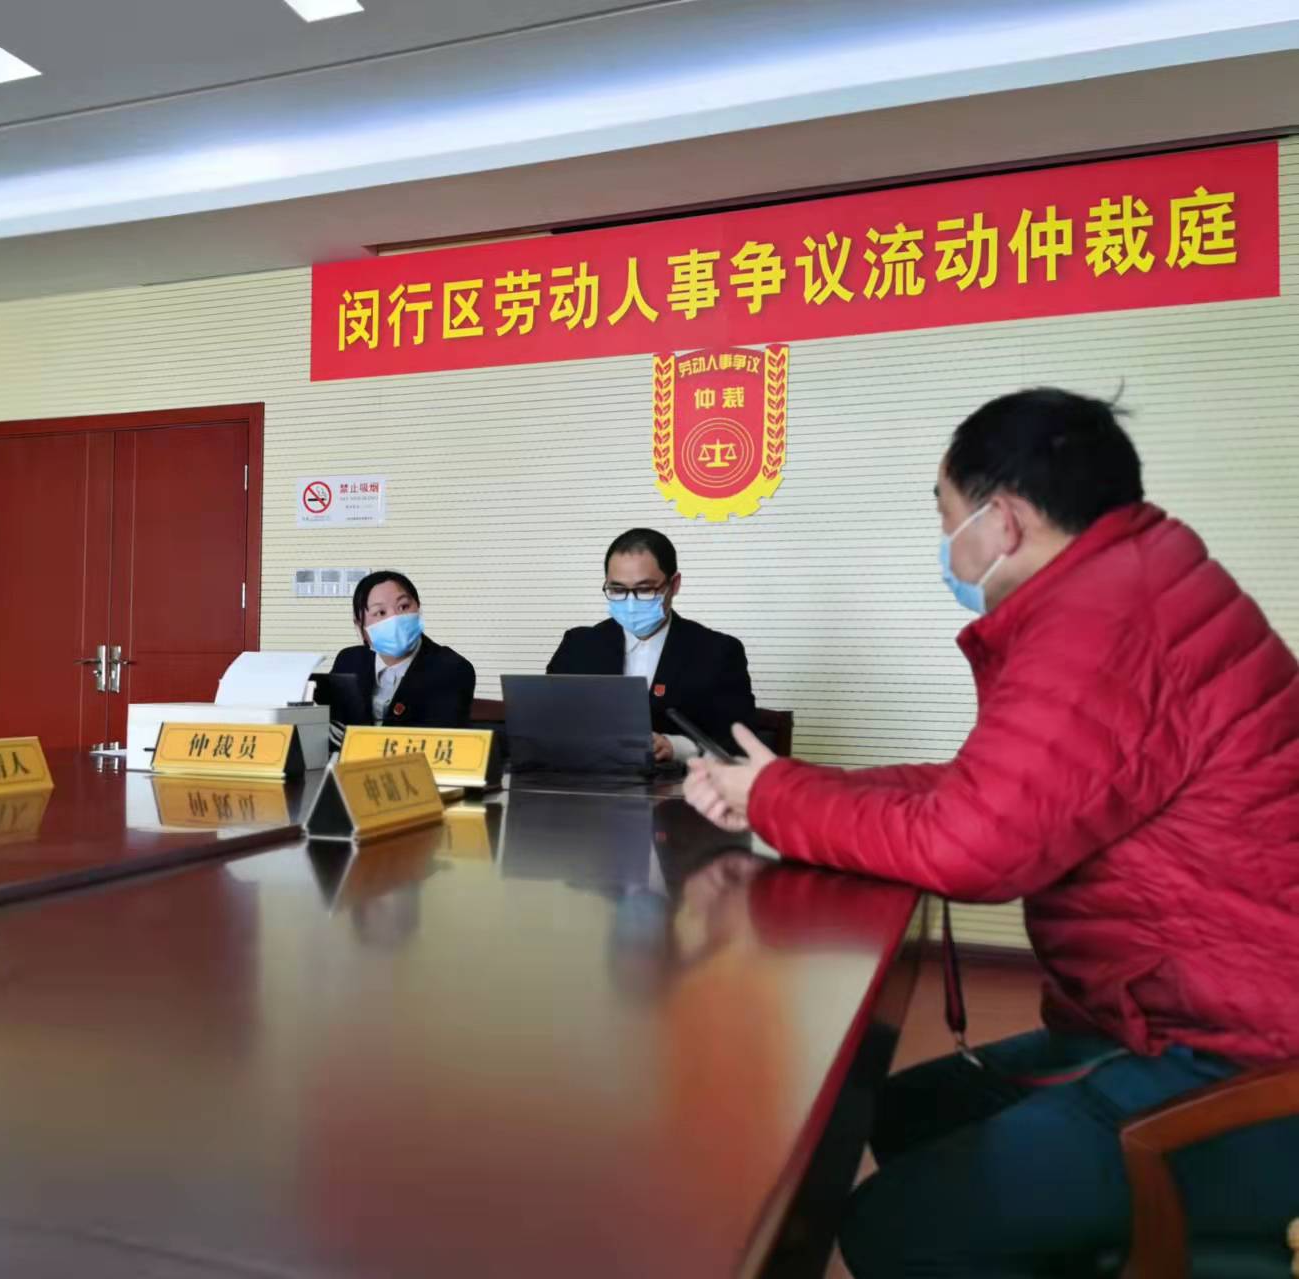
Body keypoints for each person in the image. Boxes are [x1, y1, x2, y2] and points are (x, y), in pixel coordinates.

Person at [681, 388, 1299, 1276]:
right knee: (901, 1114)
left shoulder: (1104, 617)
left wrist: (780, 797)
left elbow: (973, 843)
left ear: (1001, 520)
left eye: (945, 516)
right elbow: (991, 789)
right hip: (1184, 1016)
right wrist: (786, 789)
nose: (945, 544)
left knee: (892, 1226)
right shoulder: (1129, 583)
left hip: (1242, 1061)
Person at [548, 528, 755, 761]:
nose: (630, 602)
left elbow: (741, 743)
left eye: (645, 589)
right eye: (617, 589)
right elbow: (546, 724)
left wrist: (677, 747)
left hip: (679, 780)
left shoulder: (718, 652)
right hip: (585, 778)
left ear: (674, 585)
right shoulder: (578, 646)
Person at [323, 571, 476, 734]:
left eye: (403, 607)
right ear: (360, 625)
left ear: (418, 609)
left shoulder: (452, 668)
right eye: (380, 612)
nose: (394, 618)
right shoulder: (348, 661)